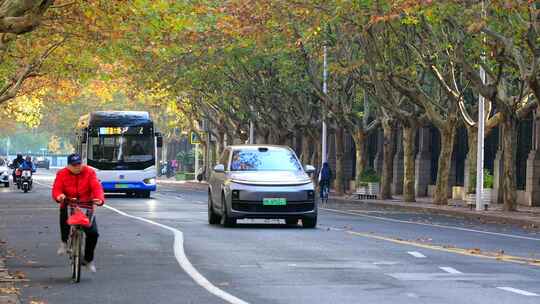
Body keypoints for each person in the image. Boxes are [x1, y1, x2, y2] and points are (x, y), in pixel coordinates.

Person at [52, 154, 104, 273]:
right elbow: (57, 188)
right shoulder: (62, 173)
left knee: (93, 233)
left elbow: (97, 187)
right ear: (68, 165)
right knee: (64, 216)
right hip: (69, 202)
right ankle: (64, 242)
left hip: (86, 204)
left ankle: (88, 260)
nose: (77, 167)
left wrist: (99, 199)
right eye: (74, 165)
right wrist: (59, 196)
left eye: (79, 164)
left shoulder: (89, 172)